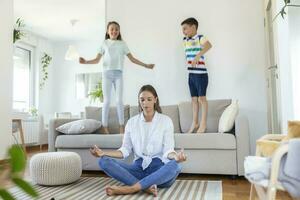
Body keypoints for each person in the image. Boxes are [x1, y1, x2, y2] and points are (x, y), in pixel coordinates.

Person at [90, 85, 187, 196]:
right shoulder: (132, 122)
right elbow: (124, 150)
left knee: (176, 165)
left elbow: (168, 150)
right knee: (103, 161)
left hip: (159, 171)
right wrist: (103, 153)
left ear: (155, 100)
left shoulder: (166, 121)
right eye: (142, 100)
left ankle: (131, 188)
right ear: (139, 101)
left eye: (149, 99)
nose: (145, 103)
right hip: (138, 169)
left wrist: (176, 157)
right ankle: (145, 187)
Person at [79, 21, 154, 134]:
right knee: (107, 101)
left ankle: (121, 126)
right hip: (107, 74)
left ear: (119, 32)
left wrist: (146, 65)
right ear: (108, 31)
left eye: (116, 29)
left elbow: (132, 59)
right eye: (112, 29)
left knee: (119, 101)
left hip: (118, 74)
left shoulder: (122, 44)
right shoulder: (104, 43)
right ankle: (105, 127)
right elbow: (97, 60)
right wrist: (85, 62)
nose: (114, 31)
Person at [181, 17, 212, 133]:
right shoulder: (185, 40)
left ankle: (203, 124)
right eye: (182, 30)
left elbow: (209, 45)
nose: (183, 31)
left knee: (201, 98)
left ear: (193, 27)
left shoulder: (200, 38)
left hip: (201, 74)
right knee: (194, 99)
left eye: (185, 29)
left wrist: (198, 56)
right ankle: (195, 122)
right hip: (191, 74)